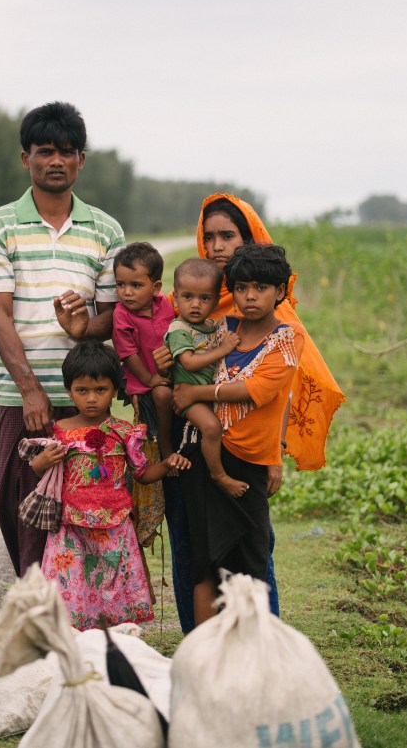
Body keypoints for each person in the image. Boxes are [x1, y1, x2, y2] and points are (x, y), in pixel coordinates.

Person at [157, 192, 345, 630]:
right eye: (210, 237)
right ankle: (203, 647)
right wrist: (165, 362)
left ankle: (261, 644)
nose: (218, 246)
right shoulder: (196, 301)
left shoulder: (278, 326)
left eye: (229, 235)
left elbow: (281, 392)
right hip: (198, 450)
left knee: (253, 552)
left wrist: (277, 450)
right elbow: (171, 351)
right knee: (198, 552)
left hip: (251, 451)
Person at [0, 101, 125, 578]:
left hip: (89, 398)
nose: (55, 161)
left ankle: (81, 623)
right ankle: (37, 614)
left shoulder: (106, 230)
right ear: (26, 158)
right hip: (25, 397)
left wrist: (84, 327)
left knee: (86, 513)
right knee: (23, 510)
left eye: (66, 151)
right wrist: (30, 390)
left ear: (81, 159)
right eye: (44, 151)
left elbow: (112, 319)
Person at [172, 244, 305, 625]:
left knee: (250, 562)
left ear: (280, 291)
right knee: (205, 562)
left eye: (261, 287)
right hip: (205, 455)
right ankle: (205, 655)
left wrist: (196, 394)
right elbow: (184, 363)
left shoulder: (287, 338)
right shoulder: (222, 328)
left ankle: (251, 653)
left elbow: (258, 391)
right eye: (243, 287)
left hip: (249, 464)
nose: (250, 296)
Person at [26, 341, 191, 630]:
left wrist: (166, 465)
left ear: (115, 390)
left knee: (113, 591)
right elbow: (38, 471)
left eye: (100, 390)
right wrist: (43, 462)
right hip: (71, 528)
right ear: (69, 391)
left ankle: (113, 648)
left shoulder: (126, 433)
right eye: (82, 391)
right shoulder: (59, 432)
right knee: (72, 591)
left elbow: (142, 473)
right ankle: (75, 649)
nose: (91, 399)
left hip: (115, 527)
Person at [165, 258, 247, 498]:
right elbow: (189, 363)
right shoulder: (179, 328)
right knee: (212, 428)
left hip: (207, 392)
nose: (195, 305)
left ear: (215, 300)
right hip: (188, 394)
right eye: (187, 296)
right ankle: (218, 475)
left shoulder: (211, 326)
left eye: (204, 298)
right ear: (176, 296)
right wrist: (223, 349)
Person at [111, 242, 175, 461]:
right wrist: (151, 379)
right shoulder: (122, 315)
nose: (127, 292)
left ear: (155, 287)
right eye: (120, 284)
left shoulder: (165, 304)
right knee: (160, 401)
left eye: (136, 285)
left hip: (171, 375)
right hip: (145, 383)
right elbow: (129, 355)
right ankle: (165, 449)